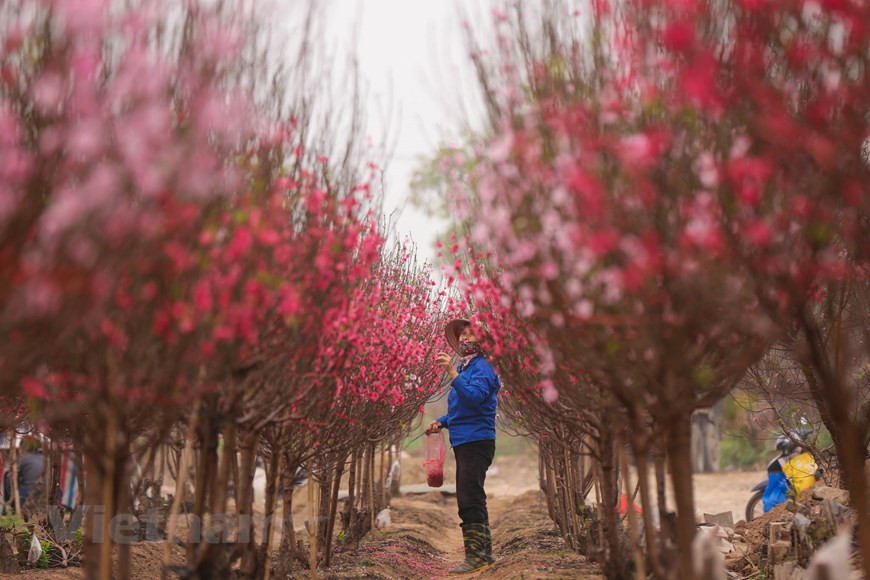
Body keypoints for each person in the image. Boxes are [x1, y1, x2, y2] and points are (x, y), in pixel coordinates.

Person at [426, 318, 501, 575]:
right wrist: (442, 421)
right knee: (471, 496)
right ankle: (482, 554)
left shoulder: (483, 367)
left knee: (469, 498)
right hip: (465, 439)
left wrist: (452, 373)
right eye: (463, 335)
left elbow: (476, 398)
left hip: (476, 441)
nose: (464, 338)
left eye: (471, 334)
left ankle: (478, 556)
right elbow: (463, 408)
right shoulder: (468, 367)